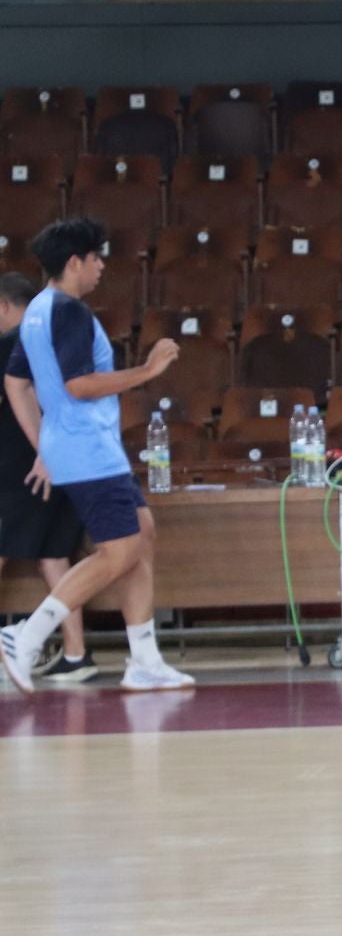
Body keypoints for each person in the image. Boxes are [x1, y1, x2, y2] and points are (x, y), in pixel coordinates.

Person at [0, 217, 192, 693]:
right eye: (96, 258)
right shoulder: (69, 313)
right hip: (89, 451)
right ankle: (25, 637)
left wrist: (45, 440)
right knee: (120, 550)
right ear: (74, 262)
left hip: (84, 448)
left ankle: (144, 659)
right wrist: (147, 371)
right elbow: (79, 385)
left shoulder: (39, 310)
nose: (102, 266)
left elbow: (15, 383)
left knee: (141, 535)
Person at [0, 272, 94, 683]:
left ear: (3, 306)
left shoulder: (10, 345)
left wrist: (43, 451)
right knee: (54, 555)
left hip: (28, 467)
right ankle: (76, 655)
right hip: (66, 462)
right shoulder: (52, 339)